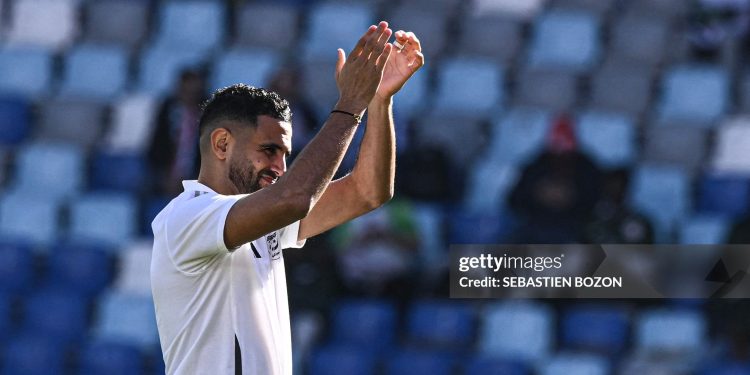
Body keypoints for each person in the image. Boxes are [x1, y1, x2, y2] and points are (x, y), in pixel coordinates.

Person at [150, 22, 424, 374]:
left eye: (285, 153)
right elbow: (294, 198)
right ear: (221, 144)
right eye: (268, 150)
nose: (280, 166)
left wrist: (378, 100)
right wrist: (350, 104)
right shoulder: (187, 217)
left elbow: (367, 191)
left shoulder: (261, 216)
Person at [147, 69, 207, 196]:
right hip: (165, 170)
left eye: (194, 93)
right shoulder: (167, 109)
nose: (189, 96)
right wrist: (166, 172)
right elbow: (156, 145)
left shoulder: (208, 114)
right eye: (186, 92)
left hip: (197, 172)